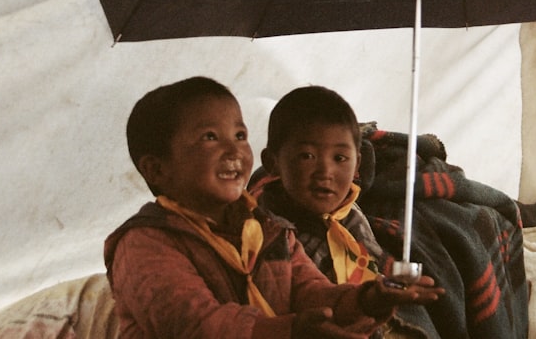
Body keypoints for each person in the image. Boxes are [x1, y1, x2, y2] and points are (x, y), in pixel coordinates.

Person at [104, 76, 443, 339]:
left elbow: (311, 293)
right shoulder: (145, 243)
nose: (234, 150)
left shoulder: (267, 229)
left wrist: (370, 300)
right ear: (157, 169)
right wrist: (291, 331)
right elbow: (197, 326)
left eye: (239, 135)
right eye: (210, 137)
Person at [253, 85, 441, 339]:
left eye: (340, 158)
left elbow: (373, 267)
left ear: (357, 167)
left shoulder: (350, 214)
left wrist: (384, 293)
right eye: (307, 156)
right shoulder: (267, 229)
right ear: (272, 162)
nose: (325, 172)